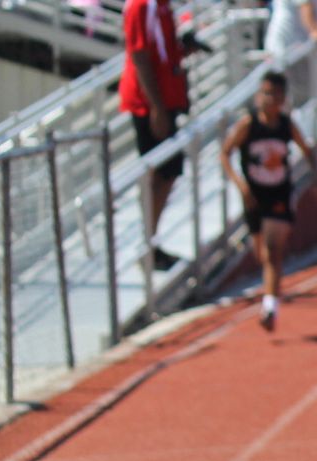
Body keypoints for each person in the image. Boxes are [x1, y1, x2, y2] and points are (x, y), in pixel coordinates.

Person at [220, 71, 317, 332]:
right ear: (258, 96)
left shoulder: (287, 125)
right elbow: (225, 153)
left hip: (279, 194)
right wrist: (241, 185)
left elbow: (308, 151)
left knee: (273, 249)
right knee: (262, 255)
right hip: (255, 197)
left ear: (283, 98)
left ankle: (270, 307)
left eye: (275, 94)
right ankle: (271, 294)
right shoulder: (248, 125)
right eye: (265, 93)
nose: (270, 99)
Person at [118, 0, 196, 271]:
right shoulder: (142, 5)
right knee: (159, 173)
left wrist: (184, 49)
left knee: (168, 171)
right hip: (149, 104)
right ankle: (147, 245)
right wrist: (157, 108)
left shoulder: (162, 4)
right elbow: (139, 55)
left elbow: (161, 50)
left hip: (164, 99)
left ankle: (150, 242)